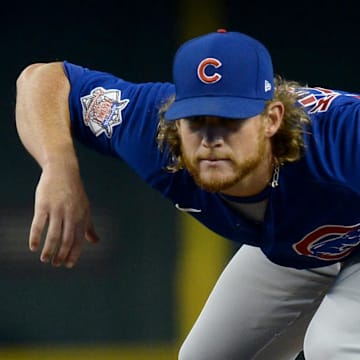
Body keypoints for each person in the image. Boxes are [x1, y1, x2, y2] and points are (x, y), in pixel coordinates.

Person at [14, 29, 360, 360]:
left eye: (231, 120)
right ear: (175, 121)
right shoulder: (153, 134)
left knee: (334, 347)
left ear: (271, 120)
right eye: (196, 120)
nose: (211, 139)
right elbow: (44, 78)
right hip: (303, 246)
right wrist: (58, 167)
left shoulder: (342, 139)